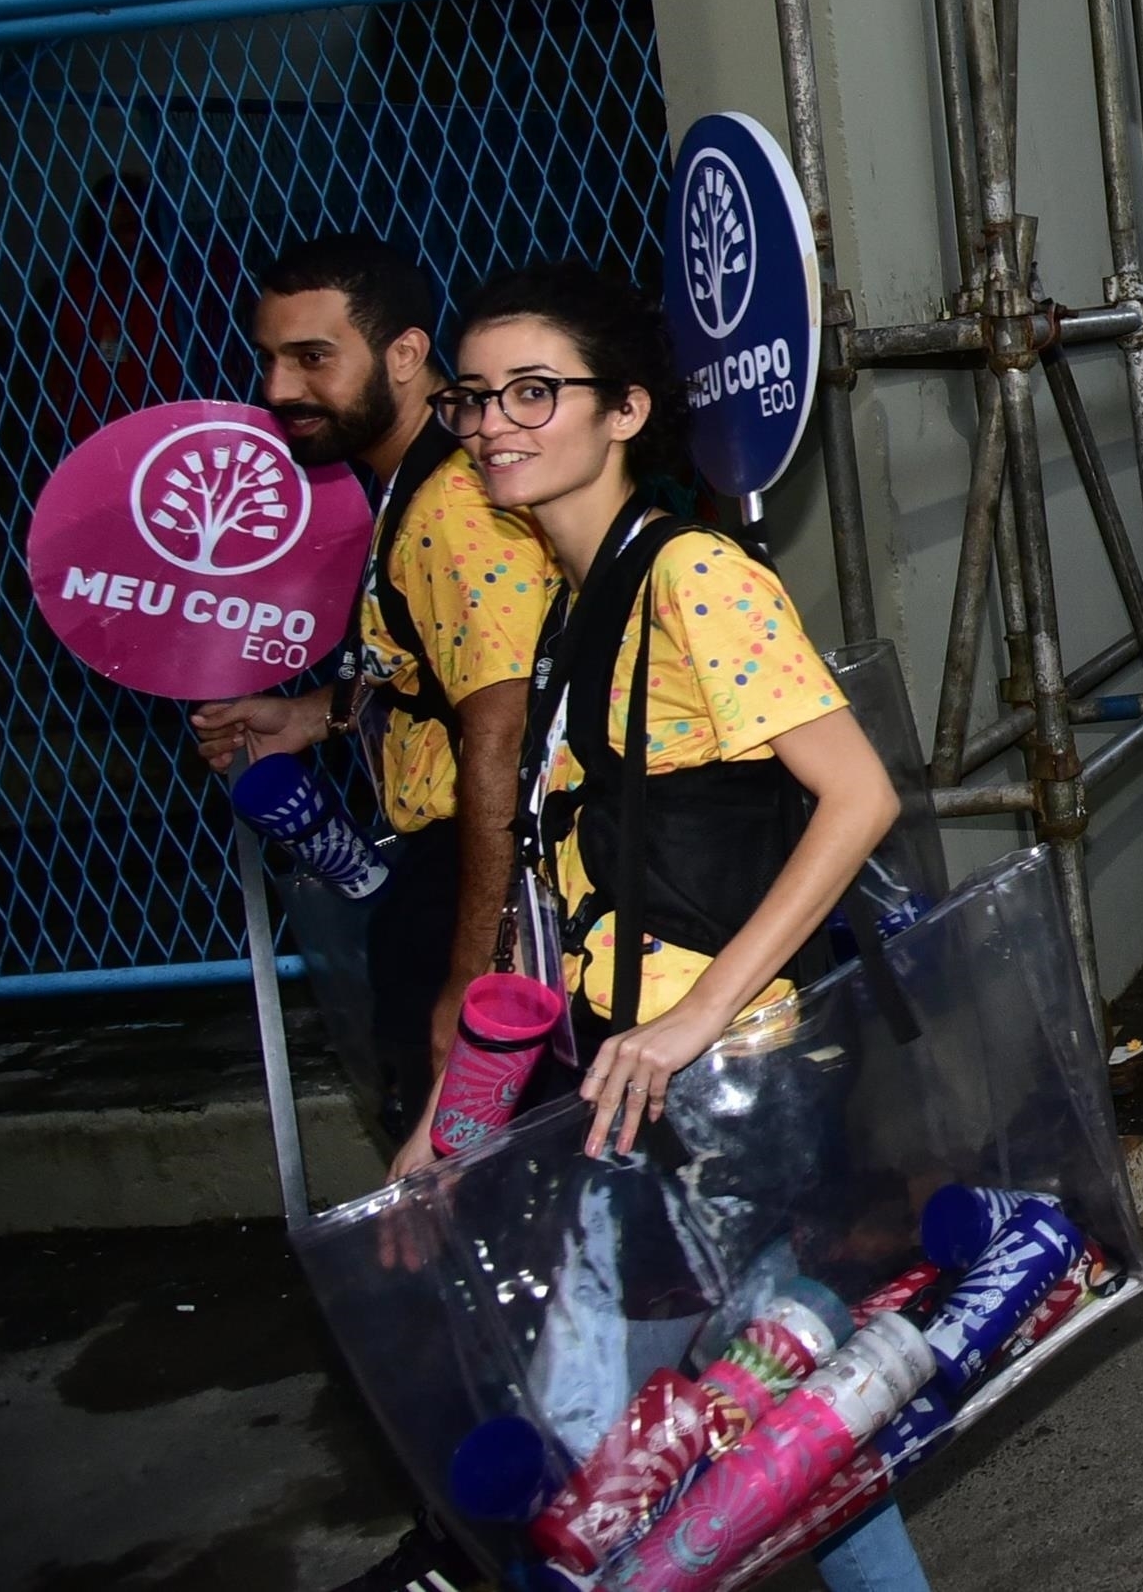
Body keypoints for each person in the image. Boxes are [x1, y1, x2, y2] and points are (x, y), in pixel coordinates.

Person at [446, 259, 931, 1592]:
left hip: (728, 1084)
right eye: (475, 397)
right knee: (787, 1432)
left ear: (626, 409)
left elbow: (859, 791)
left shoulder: (690, 578)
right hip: (640, 1076)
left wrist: (692, 1018)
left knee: (613, 1442)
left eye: (535, 390)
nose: (496, 421)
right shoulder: (572, 595)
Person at [191, 235, 553, 1166]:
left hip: (485, 886)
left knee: (468, 1186)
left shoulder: (454, 507)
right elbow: (439, 672)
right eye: (269, 359)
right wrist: (316, 714)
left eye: (313, 358)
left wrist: (467, 981)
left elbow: (502, 731)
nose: (278, 389)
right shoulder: (414, 485)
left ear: (404, 354)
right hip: (461, 875)